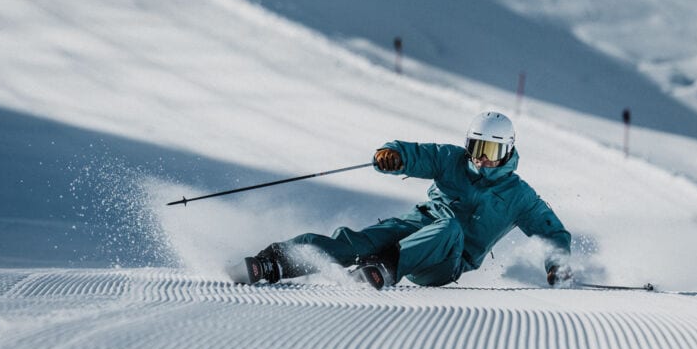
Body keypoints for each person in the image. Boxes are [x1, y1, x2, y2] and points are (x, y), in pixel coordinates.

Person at [243, 111, 573, 289]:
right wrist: (392, 156)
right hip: (416, 226)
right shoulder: (452, 159)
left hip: (444, 263)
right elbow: (416, 154)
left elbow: (552, 233)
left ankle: (386, 267)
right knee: (358, 240)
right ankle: (275, 260)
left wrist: (557, 265)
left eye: (491, 151)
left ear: (508, 150)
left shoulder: (520, 196)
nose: (481, 159)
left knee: (451, 228)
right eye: (477, 148)